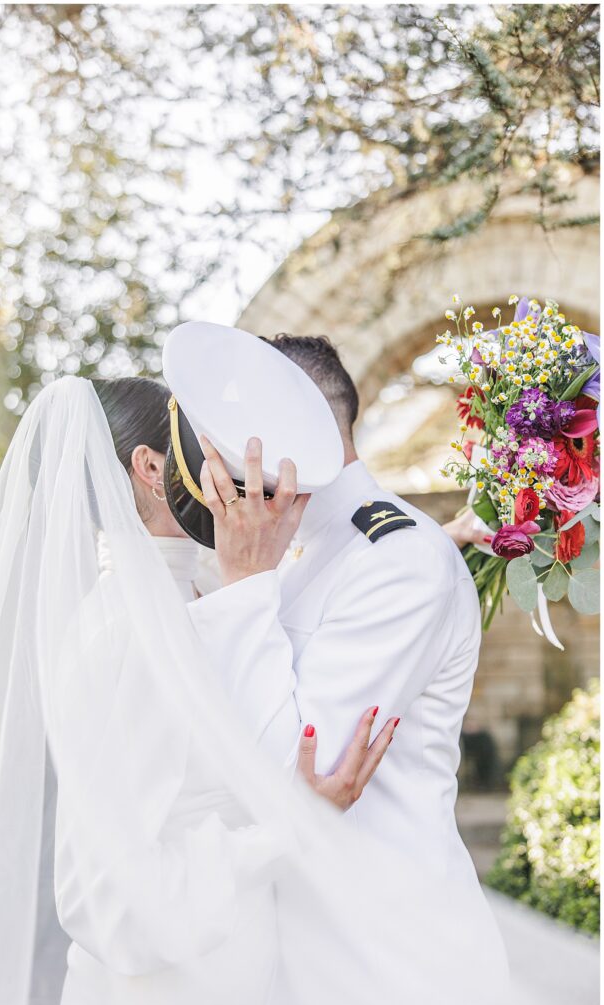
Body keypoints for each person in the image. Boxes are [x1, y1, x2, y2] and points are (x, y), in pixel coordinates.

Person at [0, 371, 510, 1005]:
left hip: (257, 980)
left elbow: (270, 613)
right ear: (152, 467)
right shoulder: (125, 632)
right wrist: (289, 823)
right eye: (202, 443)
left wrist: (423, 547)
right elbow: (106, 896)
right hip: (172, 997)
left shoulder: (206, 587)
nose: (231, 460)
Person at [177, 330, 498, 891]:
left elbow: (298, 777)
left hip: (384, 942)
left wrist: (246, 586)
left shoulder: (401, 558)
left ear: (290, 417)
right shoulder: (284, 545)